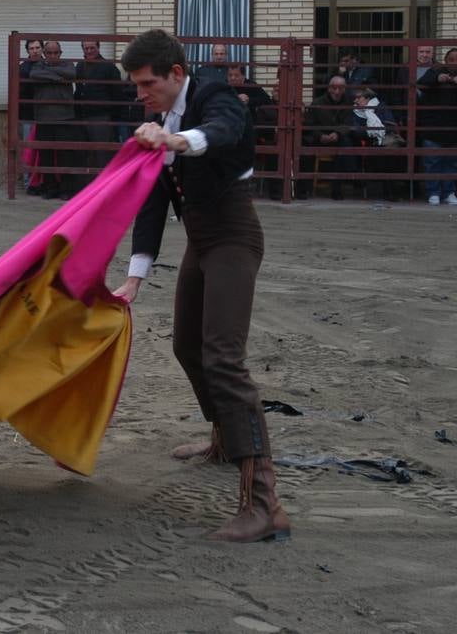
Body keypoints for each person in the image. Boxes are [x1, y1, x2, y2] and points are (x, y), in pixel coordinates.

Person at [113, 29, 289, 544]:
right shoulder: (159, 122)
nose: (140, 93)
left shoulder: (211, 93)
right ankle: (223, 438)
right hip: (200, 240)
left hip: (234, 235)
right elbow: (152, 203)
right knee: (188, 346)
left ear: (176, 74)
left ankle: (265, 505)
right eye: (135, 86)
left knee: (223, 358)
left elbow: (227, 129)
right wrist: (134, 278)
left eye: (147, 83)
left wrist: (176, 140)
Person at [416, 47, 457, 206]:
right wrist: (438, 78)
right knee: (432, 162)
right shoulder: (435, 71)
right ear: (445, 60)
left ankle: (449, 192)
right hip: (434, 128)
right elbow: (420, 83)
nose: (455, 63)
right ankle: (433, 192)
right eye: (451, 60)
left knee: (452, 163)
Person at [27, 40, 81, 199]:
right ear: (44, 54)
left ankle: (66, 190)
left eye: (55, 53)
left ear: (60, 53)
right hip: (44, 118)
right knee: (46, 156)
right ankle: (50, 188)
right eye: (49, 53)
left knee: (66, 155)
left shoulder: (68, 64)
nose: (52, 56)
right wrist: (57, 78)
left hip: (65, 117)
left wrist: (50, 74)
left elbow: (72, 74)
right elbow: (34, 74)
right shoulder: (38, 66)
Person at [299, 75, 358, 200]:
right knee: (304, 150)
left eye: (340, 88)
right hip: (318, 139)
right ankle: (303, 189)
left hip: (339, 139)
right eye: (334, 88)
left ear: (345, 89)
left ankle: (337, 190)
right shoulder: (317, 103)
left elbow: (349, 123)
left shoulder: (349, 103)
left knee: (344, 147)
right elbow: (309, 125)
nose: (337, 91)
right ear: (329, 88)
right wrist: (321, 136)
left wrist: (337, 133)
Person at [227, 64, 279, 199]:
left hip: (252, 129)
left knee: (270, 149)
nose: (232, 78)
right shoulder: (225, 87)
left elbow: (266, 100)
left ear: (243, 76)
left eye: (236, 75)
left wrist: (249, 100)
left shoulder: (251, 86)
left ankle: (273, 190)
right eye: (230, 75)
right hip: (231, 128)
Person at [75, 41, 125, 173]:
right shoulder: (80, 66)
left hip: (101, 118)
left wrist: (112, 117)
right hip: (83, 117)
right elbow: (78, 91)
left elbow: (117, 94)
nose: (89, 51)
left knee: (102, 154)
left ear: (98, 47)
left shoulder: (109, 67)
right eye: (86, 48)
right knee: (85, 154)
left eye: (92, 48)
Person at [352, 87, 402, 201]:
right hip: (368, 142)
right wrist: (372, 132)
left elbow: (390, 125)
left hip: (386, 141)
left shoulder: (381, 107)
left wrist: (377, 131)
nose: (355, 101)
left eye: (358, 98)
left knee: (391, 152)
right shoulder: (355, 112)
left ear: (368, 98)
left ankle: (390, 191)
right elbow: (356, 130)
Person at [18, 39, 44, 193]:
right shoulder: (23, 69)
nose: (35, 51)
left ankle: (40, 182)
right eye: (31, 48)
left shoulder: (47, 65)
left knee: (43, 151)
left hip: (45, 115)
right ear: (27, 50)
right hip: (28, 115)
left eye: (37, 47)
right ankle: (29, 183)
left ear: (42, 49)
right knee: (28, 150)